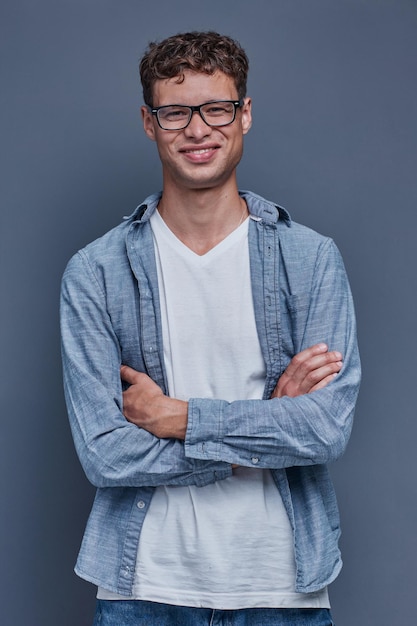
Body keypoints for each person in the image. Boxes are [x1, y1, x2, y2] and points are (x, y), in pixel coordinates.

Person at [60, 31, 361, 626]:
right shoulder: (95, 272)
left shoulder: (310, 259)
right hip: (143, 590)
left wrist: (182, 419)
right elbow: (105, 456)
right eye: (175, 112)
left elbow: (325, 429)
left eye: (216, 108)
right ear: (150, 123)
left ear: (244, 114)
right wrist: (268, 427)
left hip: (282, 592)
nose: (198, 129)